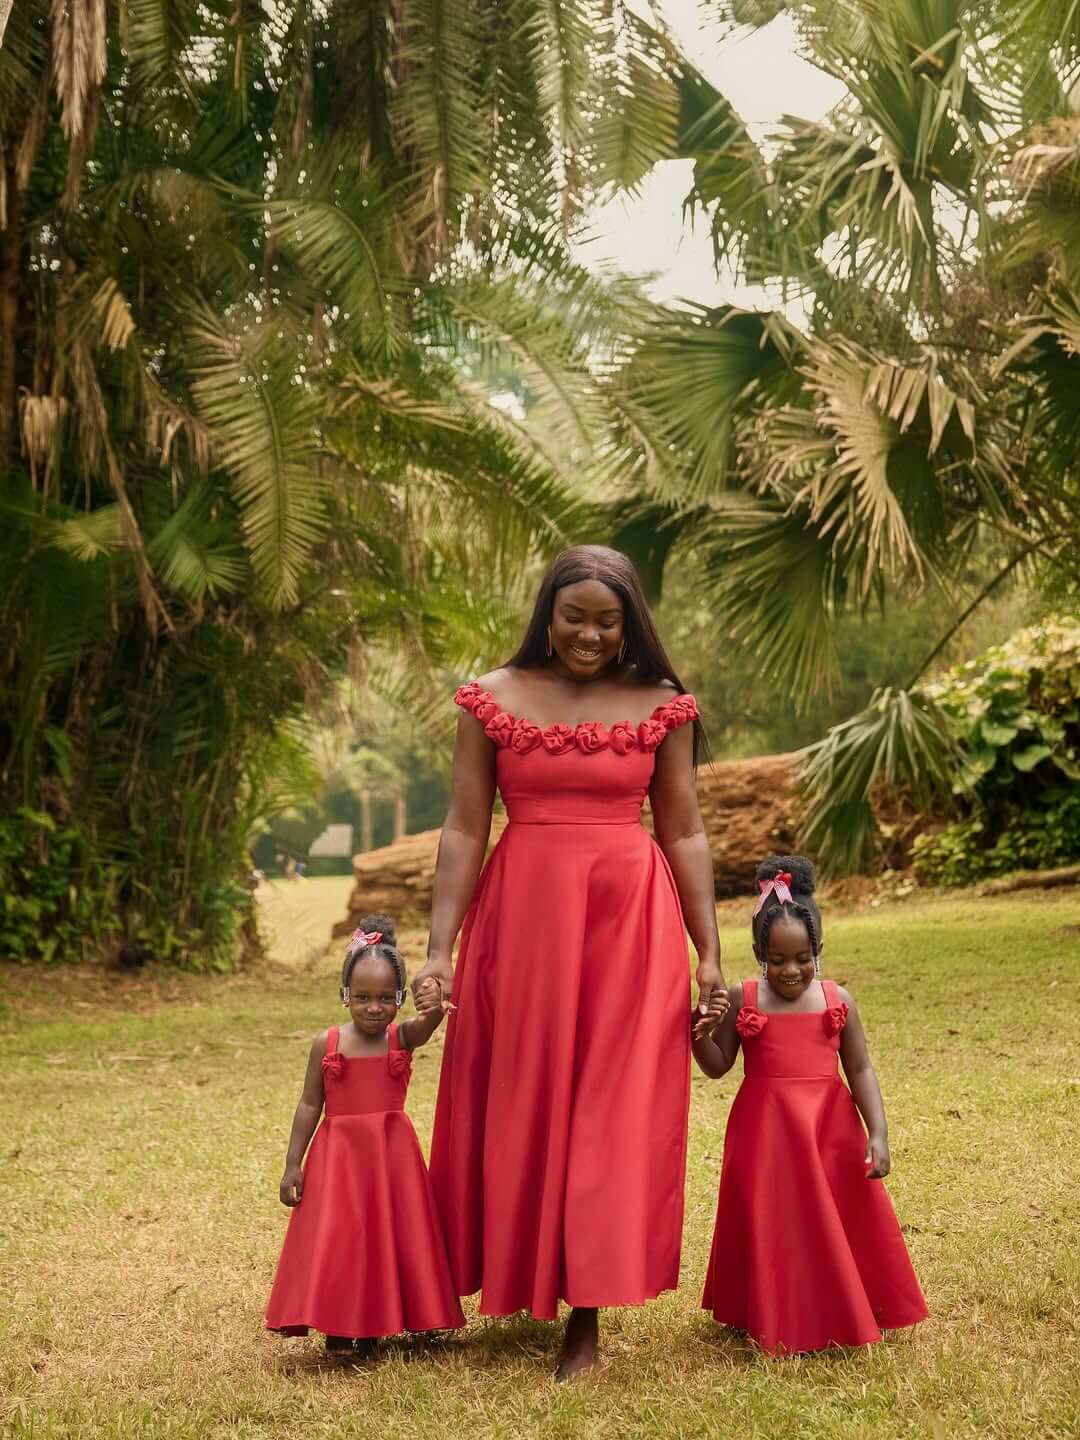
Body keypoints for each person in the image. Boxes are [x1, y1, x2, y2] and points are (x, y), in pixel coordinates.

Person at [411, 544, 727, 1379]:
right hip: (523, 920)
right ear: (547, 616)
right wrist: (438, 948)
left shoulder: (662, 704)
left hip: (629, 923)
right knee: (521, 1094)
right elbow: (464, 827)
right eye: (574, 617)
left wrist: (709, 953)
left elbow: (685, 831)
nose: (590, 635)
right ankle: (502, 1277)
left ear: (630, 625)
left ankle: (586, 1312)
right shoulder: (492, 697)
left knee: (609, 1107)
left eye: (607, 621)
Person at [693, 855, 928, 1354]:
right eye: (776, 959)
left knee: (834, 1215)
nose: (790, 970)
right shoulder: (743, 997)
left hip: (827, 1129)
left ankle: (853, 1300)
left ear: (818, 950)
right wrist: (697, 1034)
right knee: (771, 1217)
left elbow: (859, 1068)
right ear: (759, 953)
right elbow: (718, 1066)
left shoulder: (837, 1000)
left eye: (802, 958)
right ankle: (759, 1307)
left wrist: (878, 1132)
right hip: (765, 1134)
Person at [266, 916, 465, 1357]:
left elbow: (428, 1023)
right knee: (342, 1240)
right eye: (362, 997)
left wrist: (433, 1002)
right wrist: (292, 1163)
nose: (374, 1008)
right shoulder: (327, 1043)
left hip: (390, 1159)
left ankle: (384, 1324)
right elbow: (309, 1104)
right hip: (340, 1160)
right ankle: (339, 1326)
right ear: (344, 995)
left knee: (390, 1236)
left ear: (399, 998)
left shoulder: (400, 1037)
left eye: (385, 998)